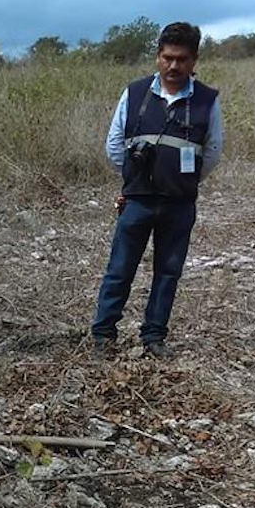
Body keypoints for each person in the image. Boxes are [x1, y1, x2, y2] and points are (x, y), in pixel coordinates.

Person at [91, 22, 223, 358]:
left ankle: (154, 338)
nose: (173, 66)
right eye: (167, 58)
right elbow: (113, 144)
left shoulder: (208, 101)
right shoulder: (135, 93)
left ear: (194, 60)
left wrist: (181, 183)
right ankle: (103, 336)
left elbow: (212, 152)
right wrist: (134, 179)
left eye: (182, 59)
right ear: (157, 57)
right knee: (120, 270)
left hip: (179, 205)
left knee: (168, 273)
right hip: (137, 201)